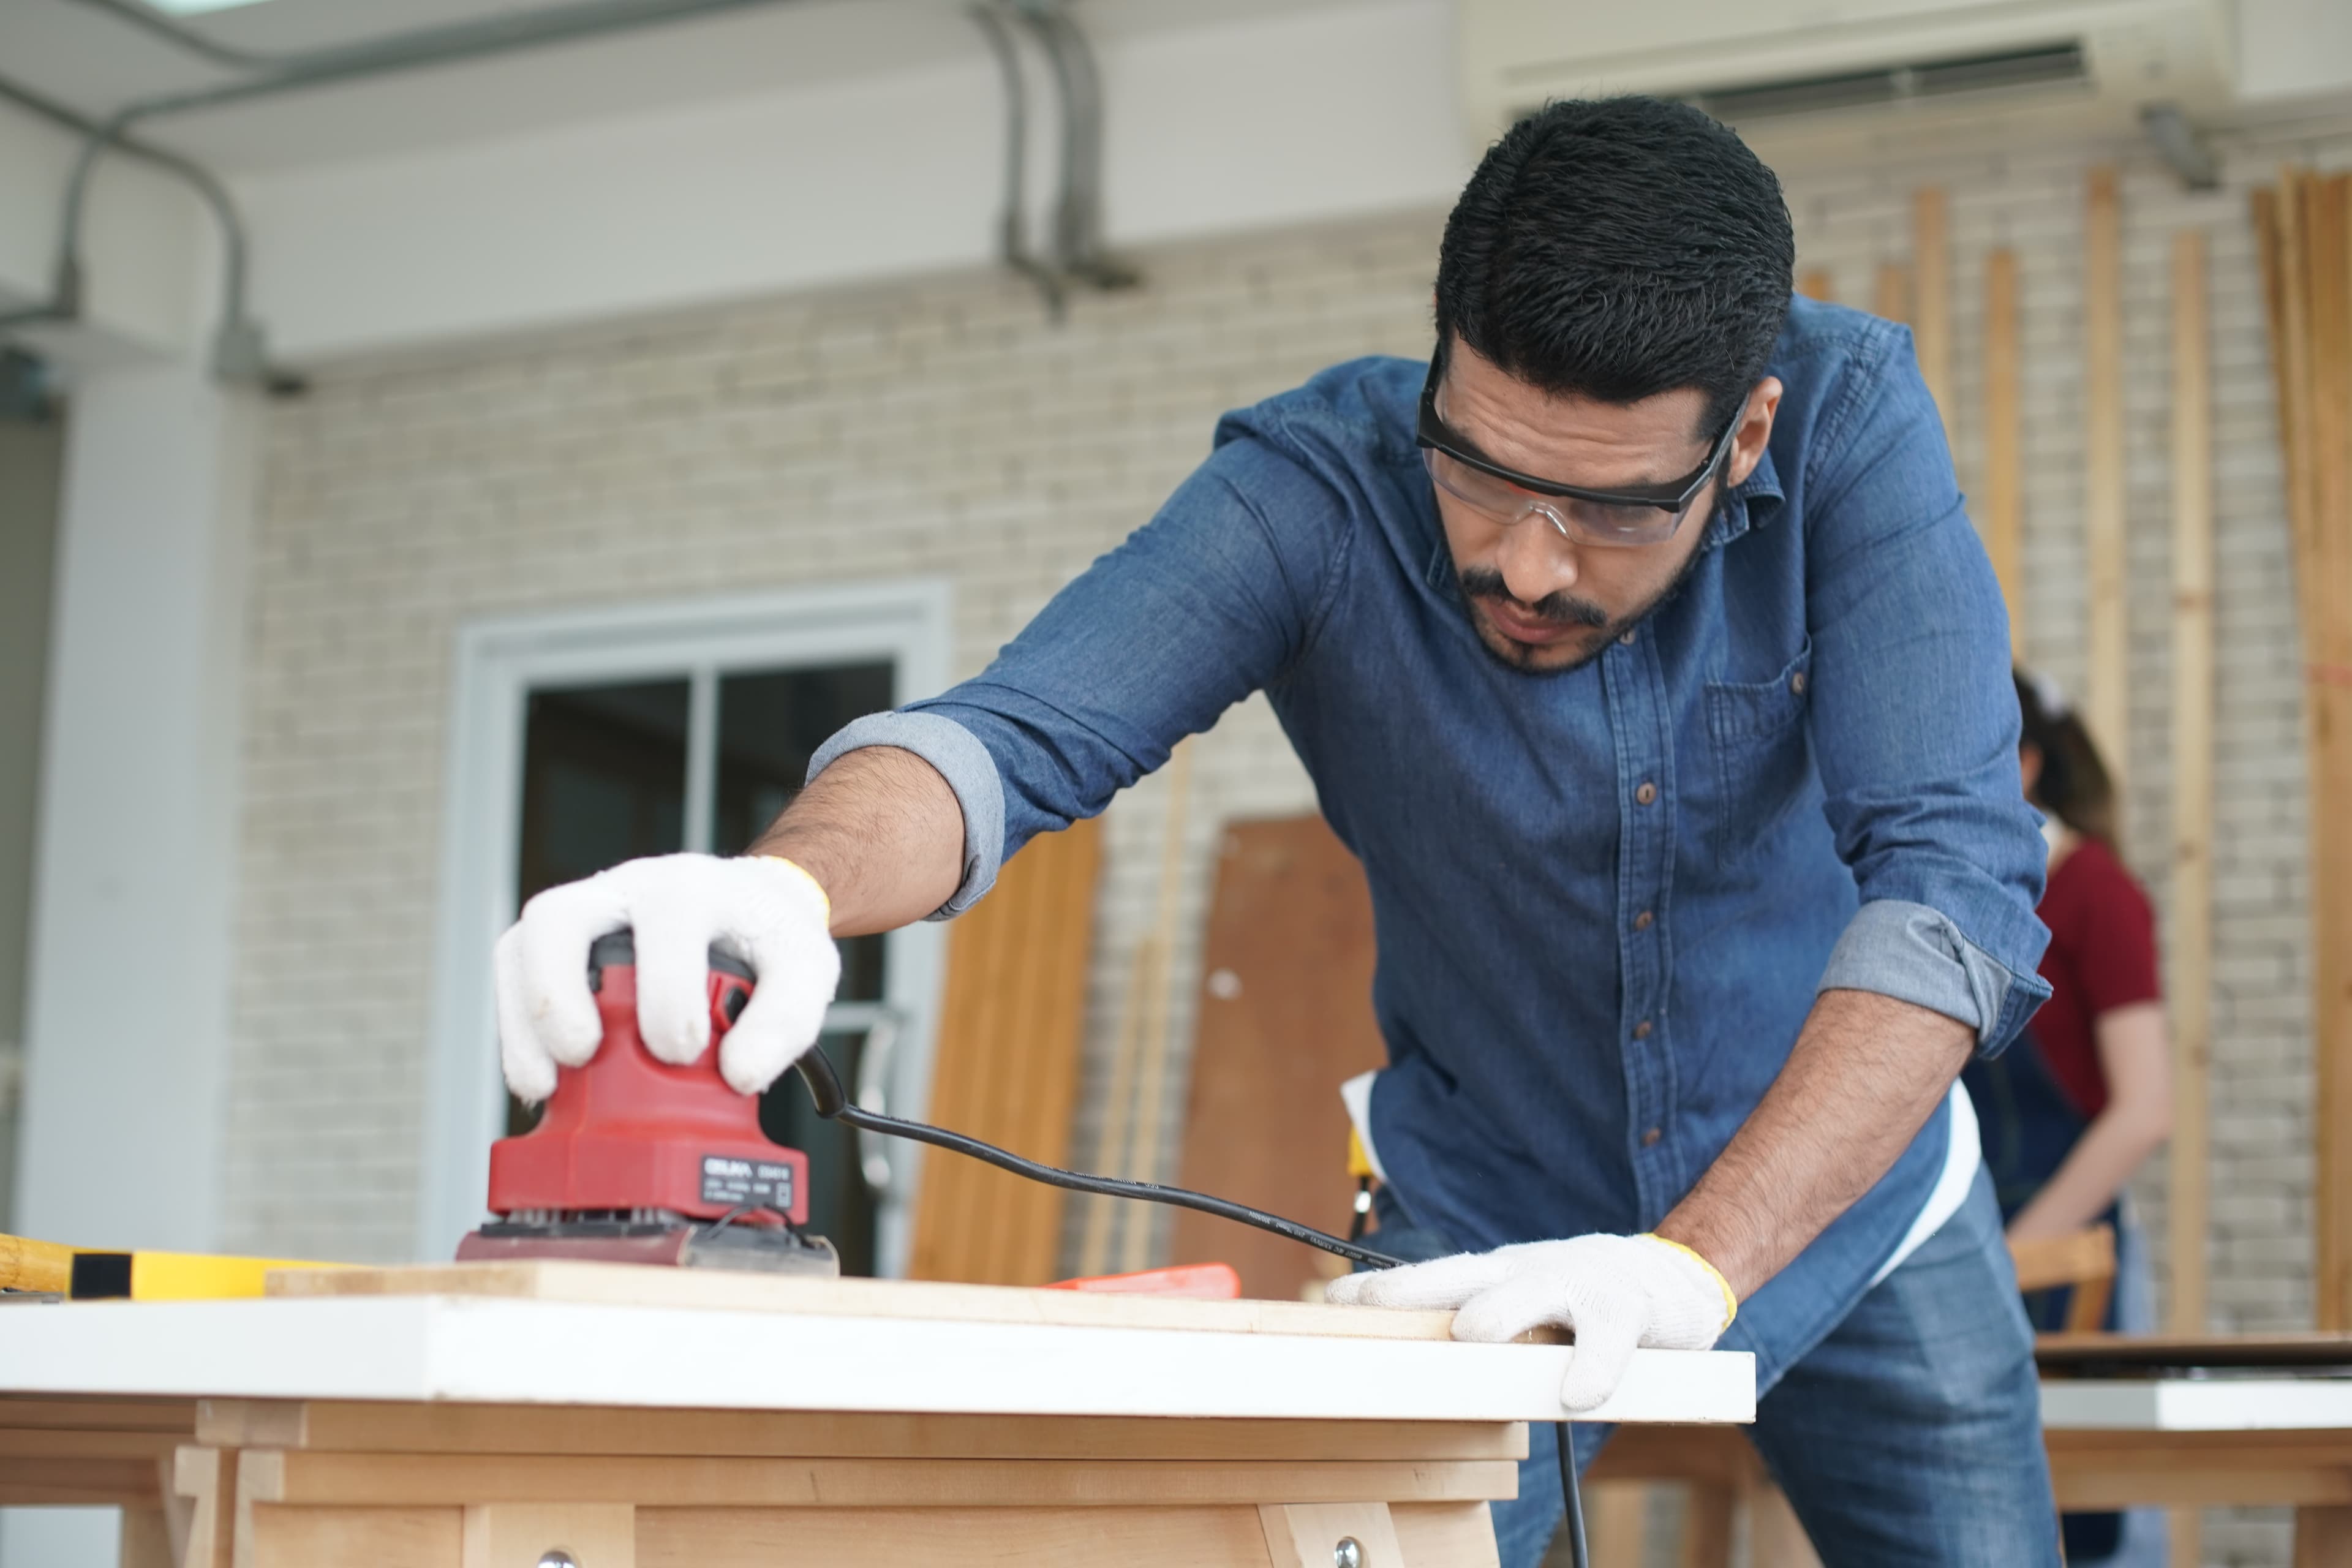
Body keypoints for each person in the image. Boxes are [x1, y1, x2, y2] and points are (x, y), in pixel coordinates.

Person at [493, 98, 2059, 1567]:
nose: (1527, 564)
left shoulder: (1852, 426)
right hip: (1487, 1203)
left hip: (1850, 1194)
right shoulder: (1317, 488)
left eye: (1613, 511)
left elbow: (1954, 886)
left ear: (1747, 433)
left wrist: (1690, 1260)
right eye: (1482, 474)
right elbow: (1013, 734)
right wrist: (781, 882)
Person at [1963, 668, 2172, 1566]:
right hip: (1972, 1235)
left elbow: (2144, 1109)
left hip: (2070, 1246)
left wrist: (2014, 1255)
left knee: (2087, 1519)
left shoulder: (2095, 893)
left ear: (2026, 766)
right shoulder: (1949, 905)